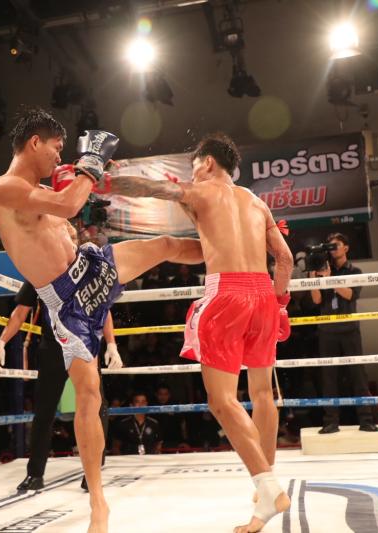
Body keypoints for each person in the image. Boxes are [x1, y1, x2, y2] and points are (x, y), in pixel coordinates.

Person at [0, 107, 203, 533]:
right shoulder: (5, 188)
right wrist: (90, 163)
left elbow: (69, 215)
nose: (58, 155)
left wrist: (91, 178)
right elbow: (68, 204)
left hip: (89, 269)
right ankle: (98, 503)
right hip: (67, 303)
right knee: (88, 394)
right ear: (35, 142)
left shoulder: (41, 191)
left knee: (166, 245)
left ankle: (238, 256)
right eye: (56, 147)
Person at [107, 132, 293, 532]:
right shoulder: (256, 202)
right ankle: (265, 486)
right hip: (264, 297)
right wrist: (279, 303)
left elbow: (151, 188)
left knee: (221, 400)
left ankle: (268, 486)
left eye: (194, 166)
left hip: (227, 297)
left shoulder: (202, 191)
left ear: (208, 163)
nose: (192, 173)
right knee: (262, 394)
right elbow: (285, 258)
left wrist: (102, 182)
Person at [0, 223, 122, 492]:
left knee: (97, 406)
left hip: (85, 346)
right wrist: (2, 341)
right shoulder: (40, 270)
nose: (66, 241)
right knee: (44, 410)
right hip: (53, 348)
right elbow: (20, 312)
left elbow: (104, 309)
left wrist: (112, 344)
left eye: (70, 237)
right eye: (62, 236)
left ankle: (93, 470)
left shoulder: (89, 271)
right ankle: (35, 473)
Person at [308, 233, 378, 434]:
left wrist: (329, 279)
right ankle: (330, 422)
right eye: (329, 246)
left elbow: (350, 294)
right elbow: (316, 300)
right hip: (327, 330)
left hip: (349, 329)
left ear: (346, 247)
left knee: (358, 375)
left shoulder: (355, 271)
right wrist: (313, 277)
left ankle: (366, 420)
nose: (332, 249)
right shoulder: (322, 270)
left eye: (336, 245)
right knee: (329, 377)